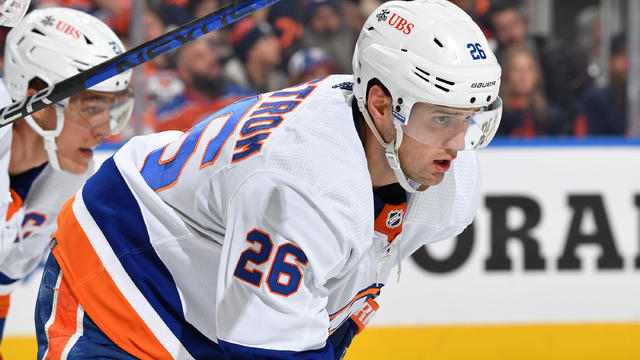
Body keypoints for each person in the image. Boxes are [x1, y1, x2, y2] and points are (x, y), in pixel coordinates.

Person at [34, 0, 502, 359]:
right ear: (381, 105)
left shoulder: (444, 172)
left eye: (472, 119)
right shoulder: (304, 183)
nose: (459, 144)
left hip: (216, 294)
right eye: (441, 119)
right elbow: (264, 348)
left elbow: (329, 309)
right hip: (121, 270)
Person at [0, 6, 133, 348]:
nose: (105, 130)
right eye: (92, 108)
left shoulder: (68, 178)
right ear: (37, 102)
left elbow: (2, 287)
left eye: (113, 109)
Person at [496, 45, 565, 137]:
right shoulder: (494, 118)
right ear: (506, 74)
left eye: (529, 68)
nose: (523, 74)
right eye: (516, 69)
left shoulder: (552, 116)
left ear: (537, 75)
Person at [574, 33, 628, 136]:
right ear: (610, 59)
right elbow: (588, 145)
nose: (631, 62)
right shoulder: (596, 99)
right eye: (623, 55)